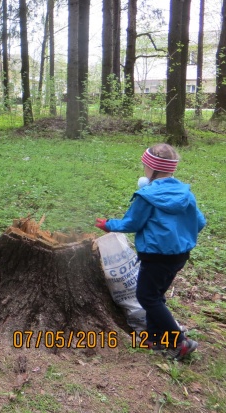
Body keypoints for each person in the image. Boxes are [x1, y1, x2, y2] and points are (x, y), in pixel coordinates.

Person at [95, 143, 206, 360]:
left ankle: (179, 342)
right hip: (179, 256)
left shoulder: (147, 196)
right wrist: (180, 234)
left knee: (146, 297)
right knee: (156, 295)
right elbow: (200, 222)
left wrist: (109, 225)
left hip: (155, 256)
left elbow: (132, 222)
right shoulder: (186, 194)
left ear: (150, 168)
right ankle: (156, 338)